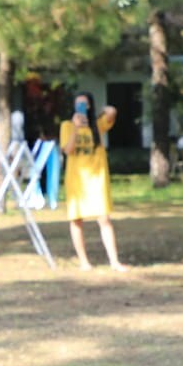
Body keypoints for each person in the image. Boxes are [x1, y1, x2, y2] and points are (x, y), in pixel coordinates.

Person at [59, 91, 128, 271]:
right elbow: (67, 149)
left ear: (90, 106)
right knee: (76, 220)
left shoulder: (97, 125)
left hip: (96, 178)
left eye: (84, 104)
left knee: (104, 218)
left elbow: (112, 112)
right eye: (77, 104)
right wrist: (76, 127)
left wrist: (101, 110)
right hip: (76, 179)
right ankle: (84, 261)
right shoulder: (66, 126)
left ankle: (114, 261)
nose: (81, 107)